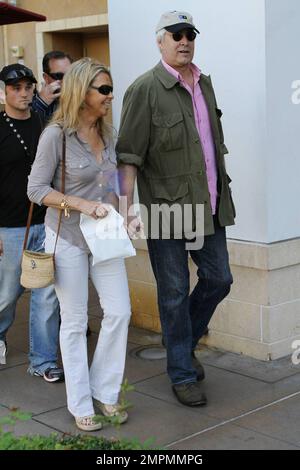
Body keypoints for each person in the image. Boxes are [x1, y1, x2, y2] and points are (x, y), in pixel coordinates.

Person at [116, 11, 236, 407]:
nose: (184, 41)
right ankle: (182, 372)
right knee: (173, 293)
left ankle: (178, 344)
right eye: (176, 35)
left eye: (189, 35)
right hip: (167, 212)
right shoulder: (145, 89)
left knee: (219, 280)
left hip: (209, 206)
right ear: (160, 41)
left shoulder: (205, 84)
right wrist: (125, 207)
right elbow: (128, 156)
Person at [28, 58, 131, 431]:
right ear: (81, 93)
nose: (110, 95)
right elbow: (36, 189)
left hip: (104, 236)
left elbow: (113, 180)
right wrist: (82, 204)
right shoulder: (57, 135)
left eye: (110, 88)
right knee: (74, 321)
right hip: (68, 234)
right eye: (103, 89)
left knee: (119, 312)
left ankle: (105, 391)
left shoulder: (108, 132)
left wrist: (125, 210)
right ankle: (80, 401)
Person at [0, 63, 63, 383]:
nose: (23, 93)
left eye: (28, 87)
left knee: (46, 293)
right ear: (4, 92)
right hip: (9, 226)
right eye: (16, 88)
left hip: (47, 218)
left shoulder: (43, 122)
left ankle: (43, 359)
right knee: (8, 293)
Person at [31, 50, 72, 125]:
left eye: (69, 75)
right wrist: (42, 103)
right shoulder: (33, 103)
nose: (65, 80)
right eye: (59, 76)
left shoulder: (81, 97)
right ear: (46, 78)